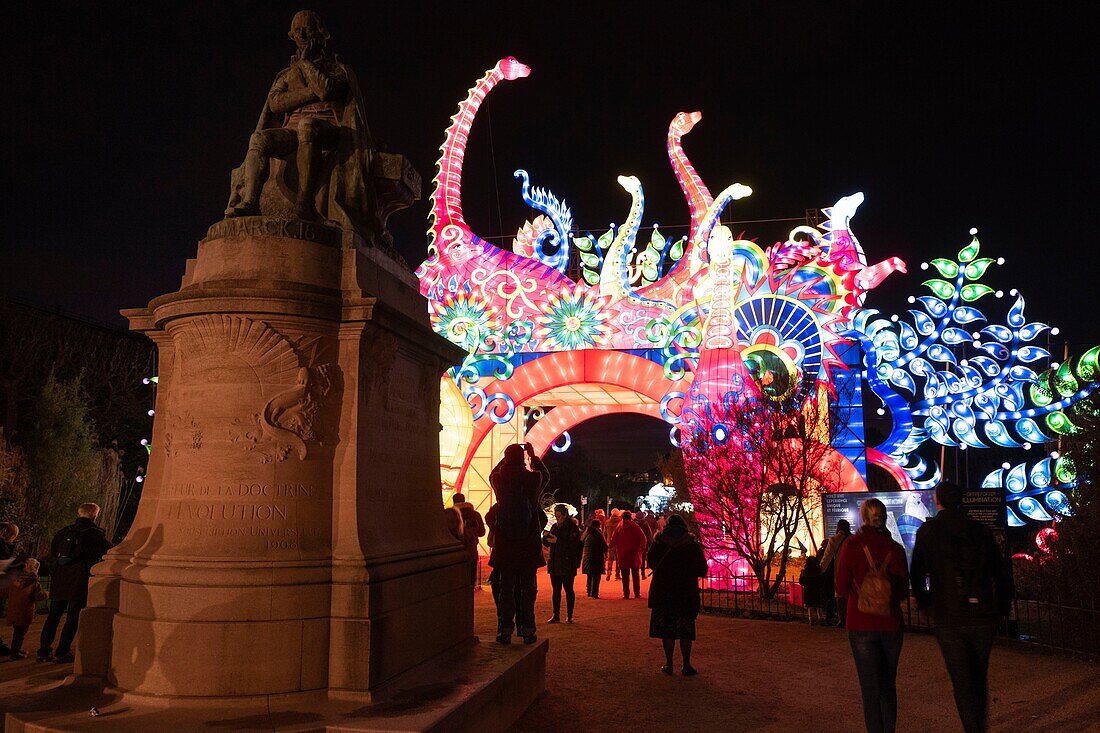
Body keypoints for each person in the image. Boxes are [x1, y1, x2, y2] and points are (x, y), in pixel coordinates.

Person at [911, 481, 1014, 733]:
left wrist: (925, 603)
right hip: (982, 614)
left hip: (948, 616)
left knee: (961, 680)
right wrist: (1002, 607)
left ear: (938, 501)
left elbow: (916, 573)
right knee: (979, 675)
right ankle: (979, 723)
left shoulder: (928, 532)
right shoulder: (980, 531)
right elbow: (1001, 573)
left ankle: (973, 727)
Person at [835, 499, 909, 733]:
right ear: (884, 518)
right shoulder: (895, 549)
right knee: (888, 685)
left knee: (870, 689)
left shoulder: (852, 545)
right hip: (890, 623)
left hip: (860, 622)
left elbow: (840, 586)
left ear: (863, 518)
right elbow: (901, 591)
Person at [485, 444, 549, 645]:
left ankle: (505, 629)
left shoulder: (499, 481)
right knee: (528, 588)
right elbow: (545, 475)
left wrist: (505, 460)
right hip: (528, 543)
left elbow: (492, 473)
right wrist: (533, 455)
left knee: (506, 588)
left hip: (505, 545)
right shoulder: (533, 479)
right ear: (523, 458)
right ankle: (528, 629)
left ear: (506, 458)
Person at [37, 503, 111, 663]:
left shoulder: (63, 532)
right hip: (79, 578)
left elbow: (52, 553)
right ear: (94, 515)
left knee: (53, 616)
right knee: (72, 616)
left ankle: (43, 650)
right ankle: (62, 651)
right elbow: (109, 551)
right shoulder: (94, 534)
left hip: (60, 579)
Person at [647, 514, 708, 676]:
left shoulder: (659, 543)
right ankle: (686, 664)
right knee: (685, 630)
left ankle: (669, 664)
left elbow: (651, 562)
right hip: (685, 593)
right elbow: (702, 569)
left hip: (663, 592)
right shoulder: (691, 545)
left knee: (667, 630)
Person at [544, 504, 583, 623]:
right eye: (556, 516)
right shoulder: (555, 526)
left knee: (568, 590)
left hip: (567, 563)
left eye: (559, 516)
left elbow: (574, 545)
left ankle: (569, 615)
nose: (557, 519)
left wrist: (558, 541)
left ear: (565, 515)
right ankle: (556, 615)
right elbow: (549, 542)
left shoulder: (572, 527)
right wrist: (546, 538)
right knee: (556, 591)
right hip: (555, 563)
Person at [5, 558, 47, 659]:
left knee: (17, 632)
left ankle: (16, 650)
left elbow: (6, 592)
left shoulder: (14, 579)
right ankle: (15, 653)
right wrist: (47, 594)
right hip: (25, 610)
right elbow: (38, 596)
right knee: (21, 633)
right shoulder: (33, 581)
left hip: (13, 609)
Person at [821, 518, 852, 627]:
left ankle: (842, 619)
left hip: (839, 570)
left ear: (838, 527)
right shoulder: (853, 539)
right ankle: (851, 617)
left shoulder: (834, 540)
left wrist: (820, 570)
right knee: (851, 595)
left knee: (839, 595)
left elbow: (827, 556)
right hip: (853, 571)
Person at [609, 510, 647, 599]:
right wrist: (642, 549)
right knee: (635, 574)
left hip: (622, 553)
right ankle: (637, 593)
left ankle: (626, 594)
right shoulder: (635, 527)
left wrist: (610, 546)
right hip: (634, 553)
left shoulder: (619, 527)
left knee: (625, 575)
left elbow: (613, 539)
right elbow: (643, 538)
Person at [452, 492, 486, 587]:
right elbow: (482, 532)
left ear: (453, 501)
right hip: (471, 548)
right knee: (470, 578)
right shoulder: (475, 514)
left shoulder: (452, 515)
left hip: (455, 549)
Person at [581, 517, 608, 599]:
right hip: (596, 558)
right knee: (596, 577)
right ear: (598, 526)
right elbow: (604, 547)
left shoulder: (586, 534)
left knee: (589, 575)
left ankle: (589, 591)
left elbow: (581, 544)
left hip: (587, 557)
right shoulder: (598, 534)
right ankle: (594, 593)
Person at [799, 551, 826, 626]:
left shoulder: (804, 572)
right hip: (817, 590)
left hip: (808, 590)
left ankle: (811, 619)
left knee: (810, 606)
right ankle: (821, 619)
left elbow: (801, 581)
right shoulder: (818, 571)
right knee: (818, 605)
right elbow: (822, 581)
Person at [603, 509, 622, 580]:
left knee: (610, 559)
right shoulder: (620, 522)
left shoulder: (607, 522)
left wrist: (606, 541)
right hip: (618, 543)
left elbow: (604, 533)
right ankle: (617, 574)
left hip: (609, 543)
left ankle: (609, 572)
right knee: (618, 559)